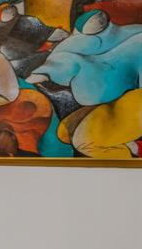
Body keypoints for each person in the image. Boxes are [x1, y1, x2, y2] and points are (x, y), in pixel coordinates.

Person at [27, 10, 142, 158]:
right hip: (118, 97)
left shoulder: (129, 36)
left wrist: (45, 73)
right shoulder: (123, 33)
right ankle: (131, 145)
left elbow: (67, 60)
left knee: (84, 142)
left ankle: (130, 161)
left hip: (135, 98)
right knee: (65, 132)